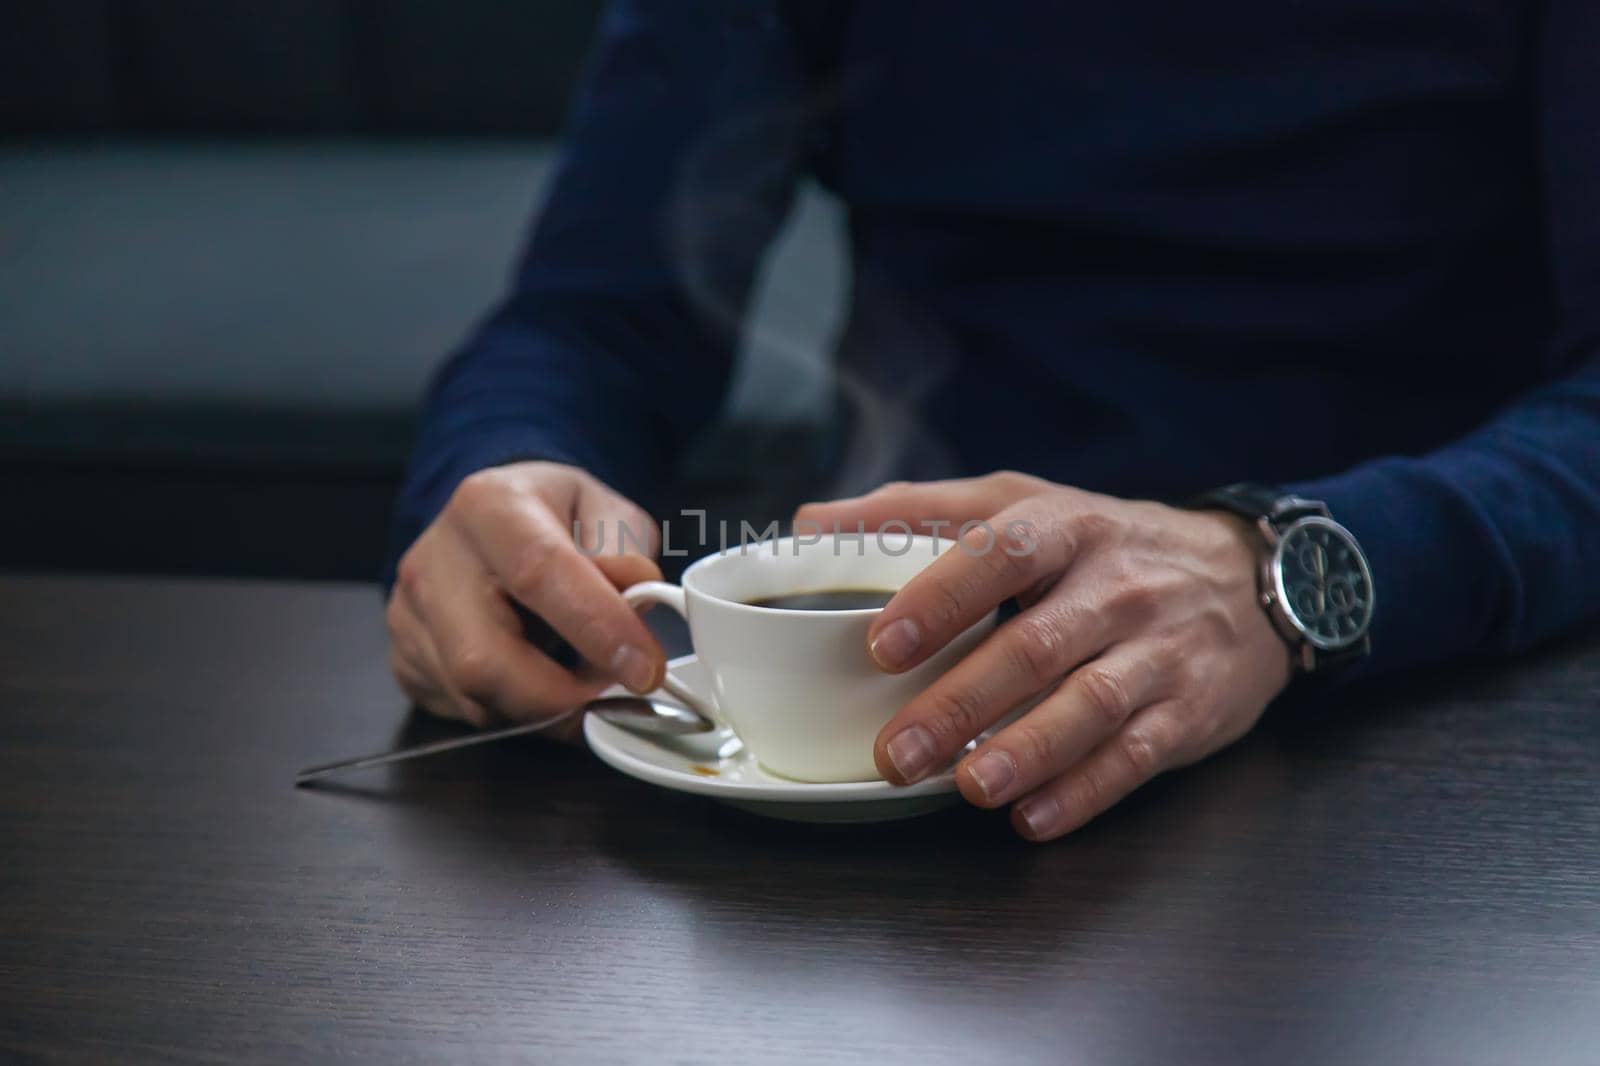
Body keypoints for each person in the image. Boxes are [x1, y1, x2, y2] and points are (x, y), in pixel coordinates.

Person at [385, 2, 1600, 841]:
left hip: (1405, 732)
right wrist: (509, 478)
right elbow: (593, 317)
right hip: (880, 779)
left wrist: (1286, 574)